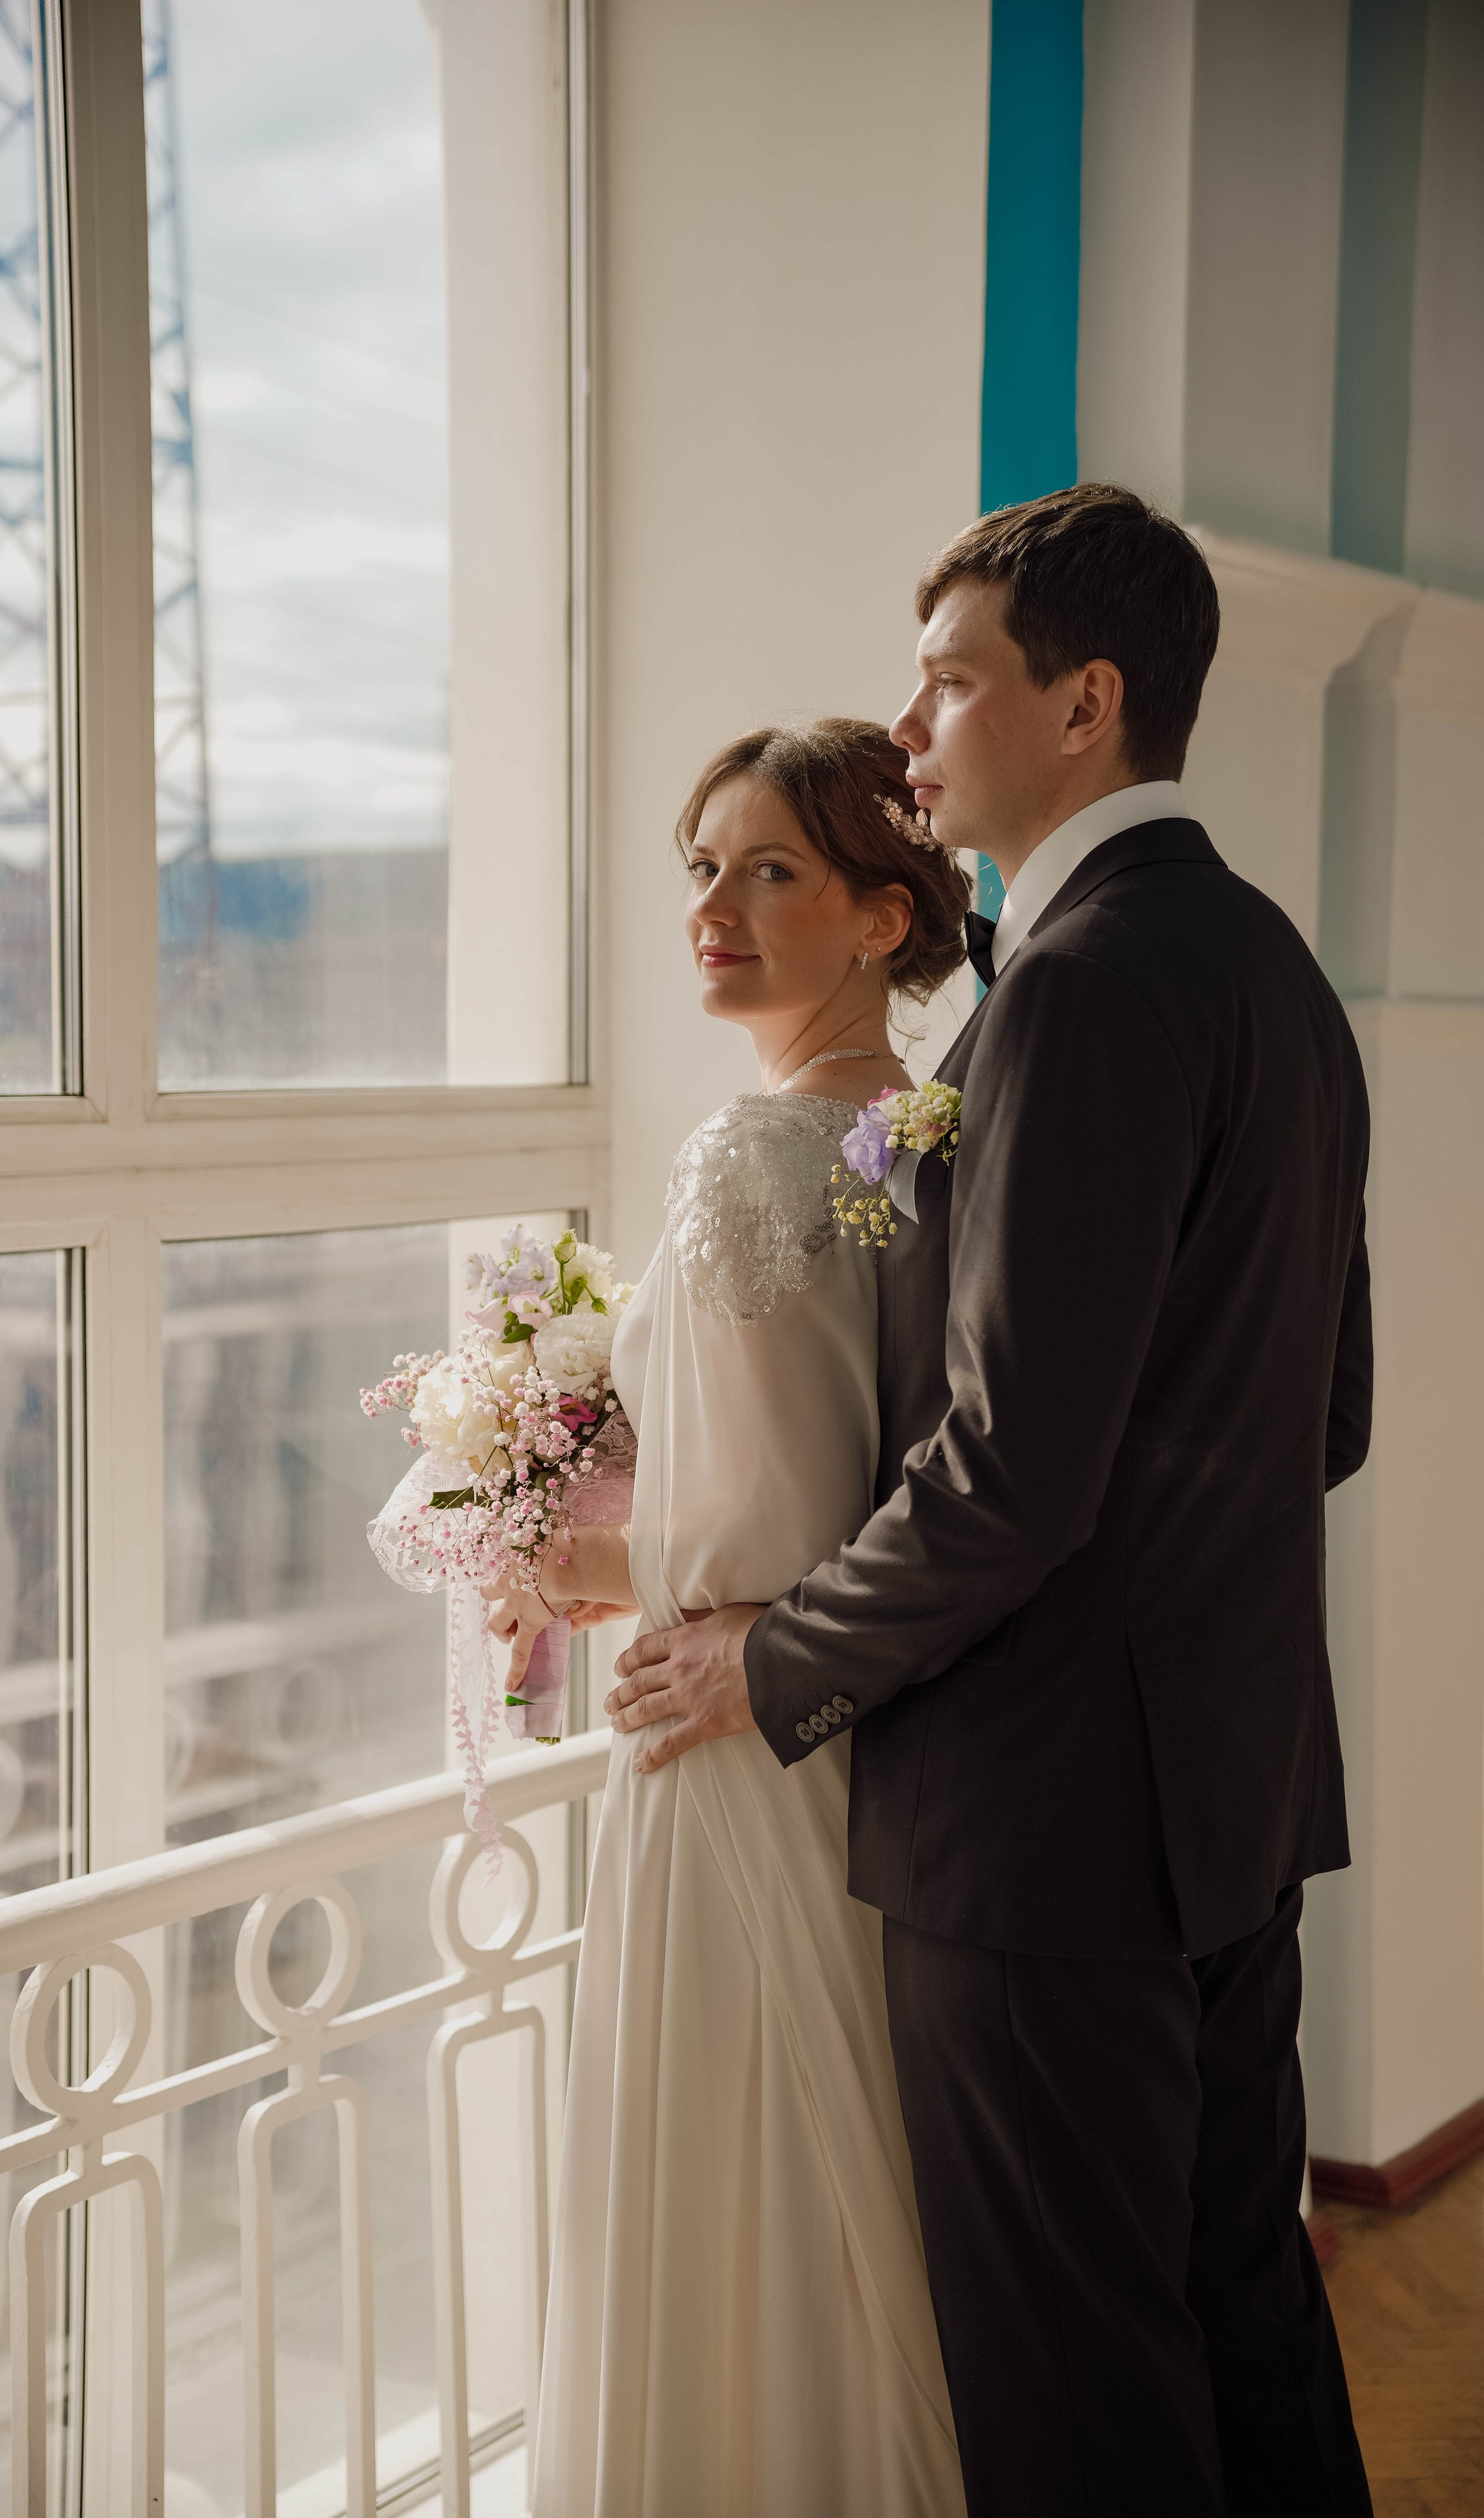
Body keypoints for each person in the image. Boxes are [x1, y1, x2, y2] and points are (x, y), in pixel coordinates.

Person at [607, 484, 1376, 2516]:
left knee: (1079, 2387)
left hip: (1048, 1834)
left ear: (1084, 702)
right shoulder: (1268, 965)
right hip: (1229, 1789)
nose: (916, 721)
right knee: (1240, 2308)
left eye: (950, 678)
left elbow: (1014, 1468)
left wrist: (777, 1660)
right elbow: (1332, 1409)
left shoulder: (1083, 985)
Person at [509, 719, 971, 2517]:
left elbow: (761, 1529)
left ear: (881, 911)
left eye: (772, 869)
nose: (716, 905)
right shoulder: (910, 1121)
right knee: (831, 2163)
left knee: (732, 2161)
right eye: (702, 867)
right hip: (864, 1730)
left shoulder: (758, 1156)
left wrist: (575, 1564)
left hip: (729, 1733)